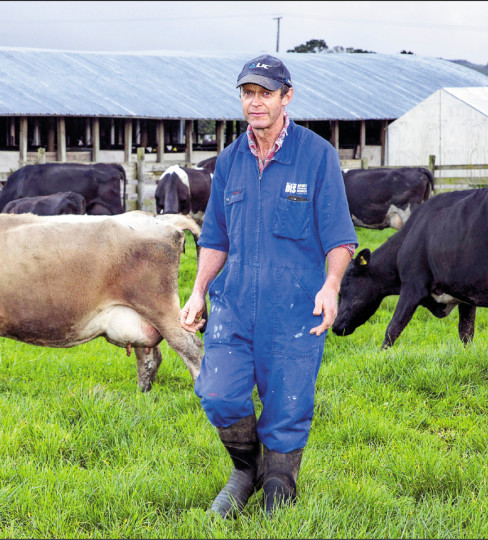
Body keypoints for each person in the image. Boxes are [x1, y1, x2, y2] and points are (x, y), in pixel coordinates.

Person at [180, 54, 358, 518]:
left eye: (265, 93)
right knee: (218, 391)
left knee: (288, 402)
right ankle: (245, 469)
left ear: (286, 97)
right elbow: (216, 237)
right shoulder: (230, 162)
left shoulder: (316, 155)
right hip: (235, 305)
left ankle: (280, 481)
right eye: (247, 93)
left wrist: (331, 286)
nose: (254, 103)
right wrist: (199, 290)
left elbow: (340, 237)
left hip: (296, 308)